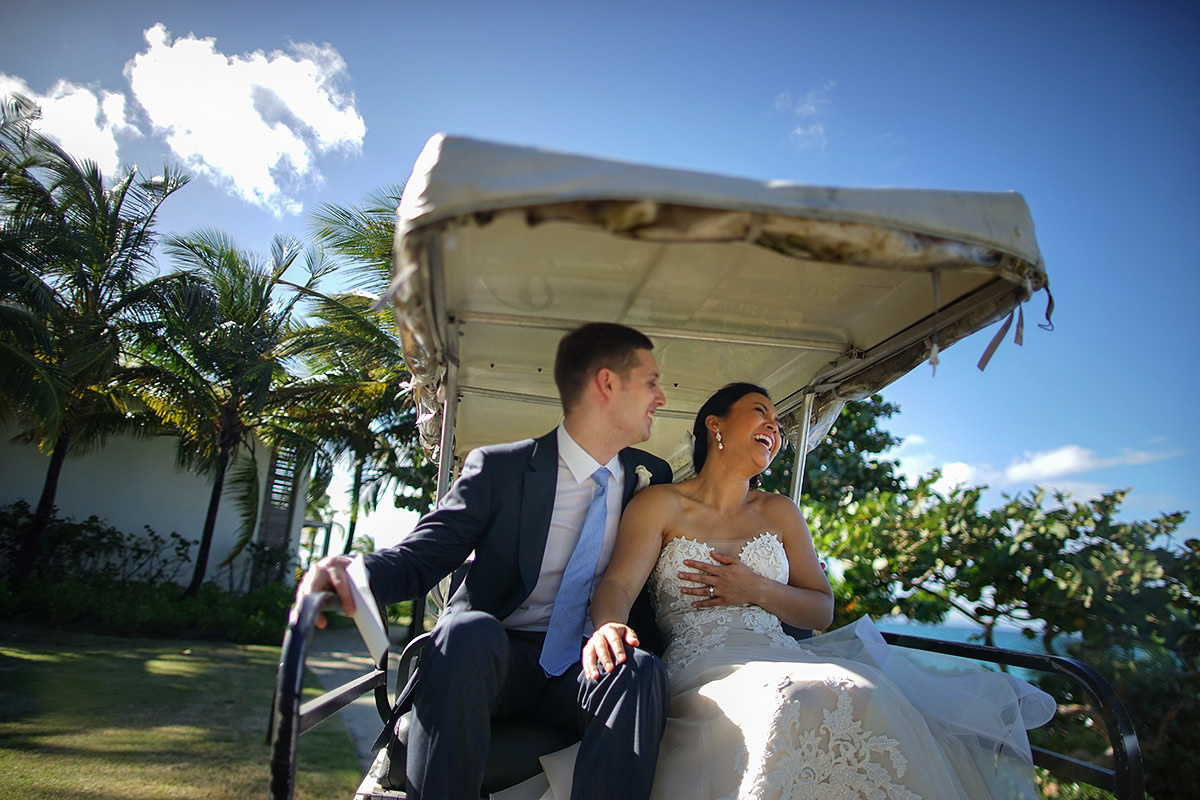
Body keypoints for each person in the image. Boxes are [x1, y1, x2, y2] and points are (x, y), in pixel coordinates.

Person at [562, 382, 1057, 800]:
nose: (774, 427)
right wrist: (609, 628)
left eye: (778, 423)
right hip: (702, 661)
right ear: (715, 424)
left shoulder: (780, 511)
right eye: (761, 412)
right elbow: (618, 583)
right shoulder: (660, 504)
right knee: (785, 702)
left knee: (859, 691)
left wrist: (755, 587)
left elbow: (821, 610)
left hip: (777, 650)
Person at [294, 322, 674, 800]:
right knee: (466, 632)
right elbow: (421, 557)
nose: (661, 397)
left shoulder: (651, 476)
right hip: (496, 659)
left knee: (637, 669)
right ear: (607, 383)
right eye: (651, 382)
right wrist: (354, 572)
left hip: (585, 664)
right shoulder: (500, 469)